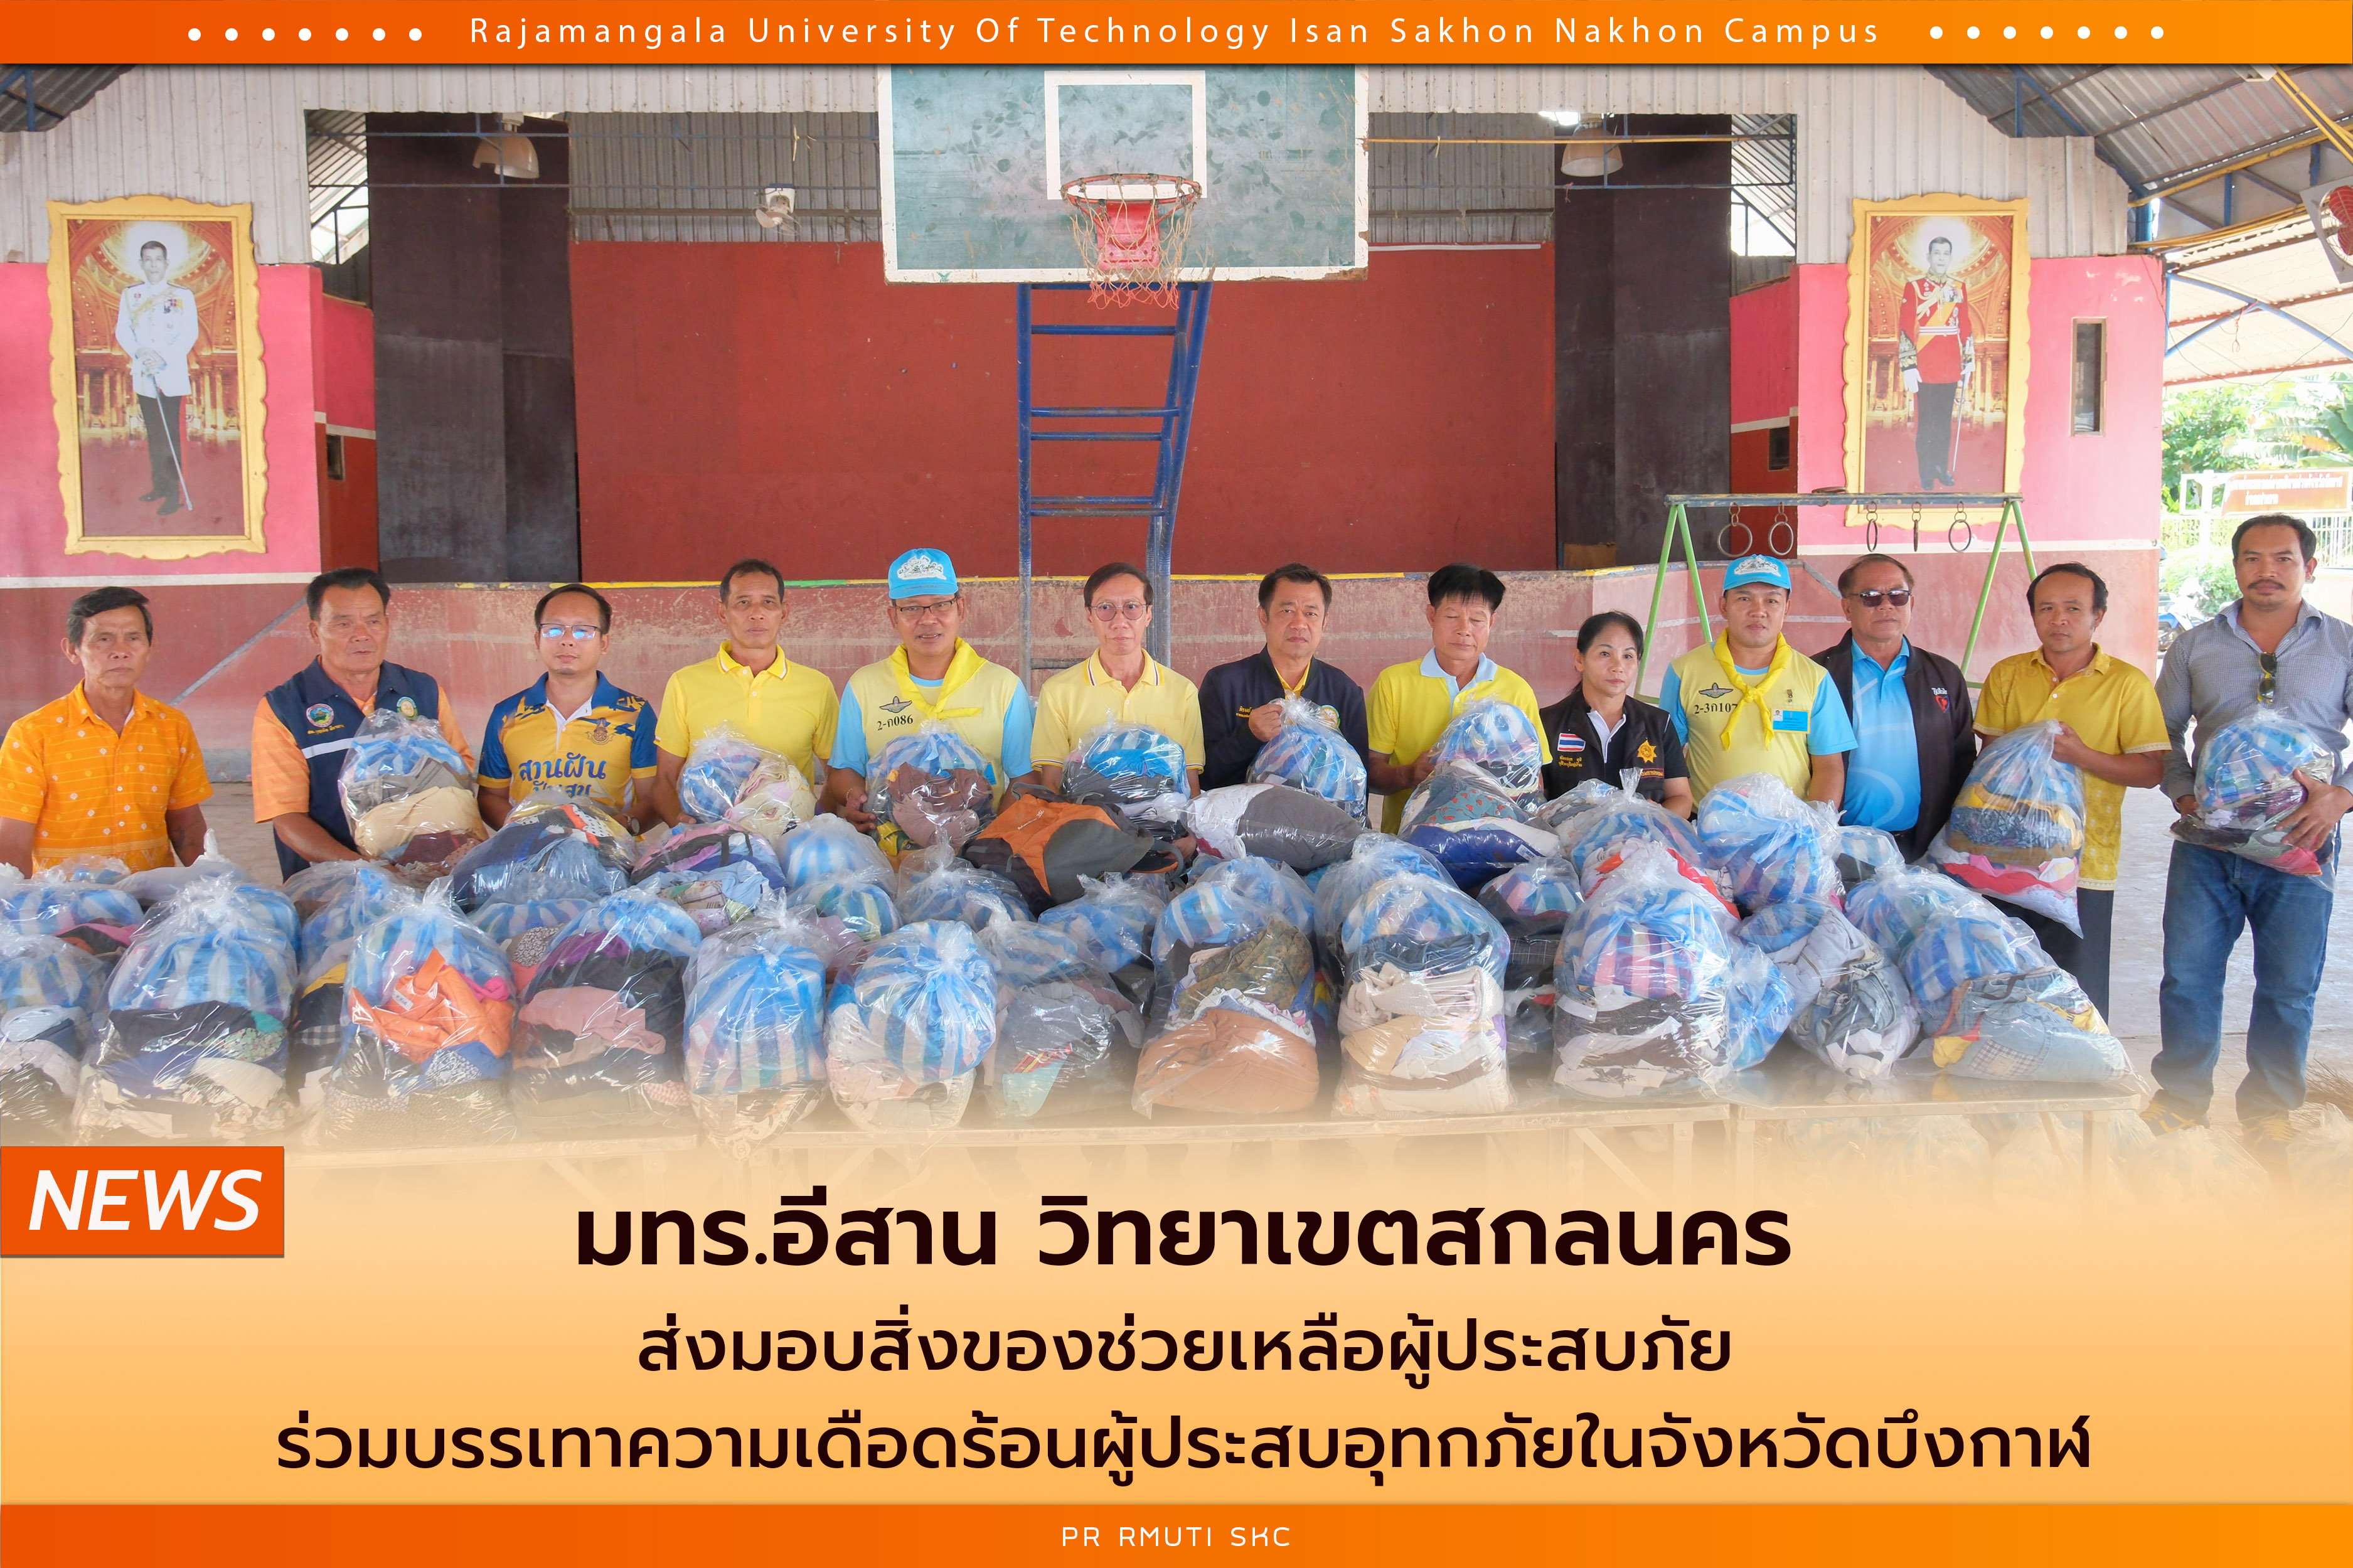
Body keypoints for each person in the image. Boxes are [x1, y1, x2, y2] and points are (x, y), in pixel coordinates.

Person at [2153, 514, 2353, 1155]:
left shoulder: (2343, 644)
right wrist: (2184, 794)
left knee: (2289, 986)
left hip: (2302, 843)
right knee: (2188, 976)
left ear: (2309, 567)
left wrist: (2342, 797)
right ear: (2236, 565)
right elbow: (2162, 732)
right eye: (2252, 558)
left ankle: (2270, 1108)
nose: (2267, 570)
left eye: (2283, 558)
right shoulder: (2194, 646)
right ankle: (2181, 1100)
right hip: (2207, 848)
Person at [1975, 563, 2167, 1018]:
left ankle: (2083, 1059)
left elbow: (2151, 771)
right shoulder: (2007, 674)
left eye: (2073, 609)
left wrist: (2082, 755)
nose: (2058, 619)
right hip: (2004, 859)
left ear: (2098, 615)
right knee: (2004, 982)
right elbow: (1989, 763)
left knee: (2078, 992)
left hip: (2083, 864)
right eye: (2046, 608)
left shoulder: (2126, 684)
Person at [253, 568, 474, 877]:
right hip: (330, 886)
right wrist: (368, 869)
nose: (362, 635)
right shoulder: (284, 708)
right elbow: (288, 819)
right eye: (343, 623)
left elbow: (461, 776)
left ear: (387, 625)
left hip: (431, 874)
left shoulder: (423, 691)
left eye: (373, 621)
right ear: (316, 632)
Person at [822, 548, 1035, 836]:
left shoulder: (1003, 686)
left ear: (961, 609)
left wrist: (988, 839)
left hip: (979, 846)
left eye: (941, 605)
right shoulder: (864, 685)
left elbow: (1025, 778)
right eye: (911, 608)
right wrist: (855, 798)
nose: (928, 619)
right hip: (889, 845)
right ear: (893, 617)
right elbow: (844, 769)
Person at [0, 587, 211, 875]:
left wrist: (214, 883)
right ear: (72, 650)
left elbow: (186, 822)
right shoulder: (32, 734)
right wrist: (20, 898)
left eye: (133, 638)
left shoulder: (172, 726)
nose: (120, 652)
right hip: (63, 898)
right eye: (103, 639)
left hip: (151, 896)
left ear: (150, 648)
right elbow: (13, 838)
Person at [651, 559, 840, 827]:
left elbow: (836, 773)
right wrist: (685, 828)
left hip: (790, 836)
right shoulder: (685, 683)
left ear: (784, 613)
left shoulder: (817, 686)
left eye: (768, 602)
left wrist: (817, 825)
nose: (757, 613)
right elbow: (665, 779)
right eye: (743, 602)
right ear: (722, 613)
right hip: (712, 838)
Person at [1816, 552, 1977, 859]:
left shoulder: (1944, 675)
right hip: (1838, 849)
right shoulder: (1817, 675)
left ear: (1911, 604)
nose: (1886, 605)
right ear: (1847, 607)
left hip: (1925, 849)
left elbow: (1964, 760)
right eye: (1871, 597)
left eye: (1898, 596)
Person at [1365, 563, 1545, 833]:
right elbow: (1369, 772)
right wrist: (1408, 774)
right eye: (1452, 616)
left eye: (1477, 620)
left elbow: (1533, 780)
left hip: (1496, 845)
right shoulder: (1393, 683)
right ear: (1431, 616)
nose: (1464, 630)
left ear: (1491, 622)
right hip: (1409, 845)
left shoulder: (1517, 691)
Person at [1660, 554, 1854, 804]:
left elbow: (1829, 766)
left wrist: (1815, 822)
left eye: (1772, 601)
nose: (1758, 611)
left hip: (1789, 824)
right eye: (1744, 599)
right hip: (1705, 824)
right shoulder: (1684, 672)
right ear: (1723, 606)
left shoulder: (1815, 678)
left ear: (1787, 608)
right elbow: (1667, 758)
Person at [477, 583, 658, 831]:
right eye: (554, 630)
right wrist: (523, 832)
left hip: (609, 848)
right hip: (531, 848)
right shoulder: (507, 714)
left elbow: (653, 798)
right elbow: (490, 795)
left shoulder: (635, 713)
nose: (567, 641)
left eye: (583, 631)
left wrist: (610, 830)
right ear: (538, 639)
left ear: (604, 643)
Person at [1032, 562, 1204, 793]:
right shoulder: (1058, 692)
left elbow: (1190, 786)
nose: (1119, 622)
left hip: (1164, 815)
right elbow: (1051, 784)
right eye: (1106, 608)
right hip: (1084, 816)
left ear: (1149, 614)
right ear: (1089, 615)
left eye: (1132, 607)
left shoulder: (1183, 692)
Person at [1198, 563, 1369, 792]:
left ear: (1324, 622)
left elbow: (1359, 783)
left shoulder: (1345, 692)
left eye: (1311, 613)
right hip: (1242, 815)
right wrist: (1248, 736)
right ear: (1264, 617)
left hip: (1321, 816)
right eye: (1287, 611)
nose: (1299, 624)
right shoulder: (1224, 684)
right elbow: (1204, 778)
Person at [1538, 611, 1692, 817]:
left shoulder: (1658, 724)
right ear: (1579, 659)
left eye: (1628, 656)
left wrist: (1654, 816)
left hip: (1642, 836)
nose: (1618, 667)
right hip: (1568, 837)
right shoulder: (1548, 723)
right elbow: (1535, 803)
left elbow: (1682, 799)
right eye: (1605, 654)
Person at [114, 238, 201, 518]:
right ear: (141, 264)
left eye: (158, 260)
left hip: (170, 374)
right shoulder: (131, 295)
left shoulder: (182, 296)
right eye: (148, 260)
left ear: (166, 263)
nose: (153, 265)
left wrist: (163, 357)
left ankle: (173, 496)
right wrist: (140, 352)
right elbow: (123, 330)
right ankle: (160, 486)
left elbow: (189, 333)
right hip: (144, 373)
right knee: (154, 434)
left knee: (170, 436)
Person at [1900, 233, 1975, 491]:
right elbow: (1906, 326)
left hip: (1950, 365)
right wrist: (1909, 365)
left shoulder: (1959, 287)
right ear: (1929, 257)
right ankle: (1926, 473)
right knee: (1926, 423)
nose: (1941, 258)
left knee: (1943, 423)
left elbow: (1964, 323)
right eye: (1937, 253)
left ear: (1950, 257)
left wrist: (1969, 357)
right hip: (1925, 364)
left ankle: (1941, 468)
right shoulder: (1915, 287)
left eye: (1945, 254)